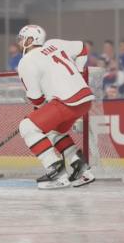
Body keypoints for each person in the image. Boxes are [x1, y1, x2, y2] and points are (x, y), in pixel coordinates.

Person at [15, 25, 95, 190]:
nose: (20, 42)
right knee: (53, 132)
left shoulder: (26, 61)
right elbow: (82, 48)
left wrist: (40, 109)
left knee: (27, 127)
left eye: (22, 38)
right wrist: (79, 74)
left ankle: (56, 171)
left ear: (30, 40)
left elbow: (37, 99)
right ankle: (80, 167)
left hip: (66, 102)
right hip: (85, 98)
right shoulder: (55, 44)